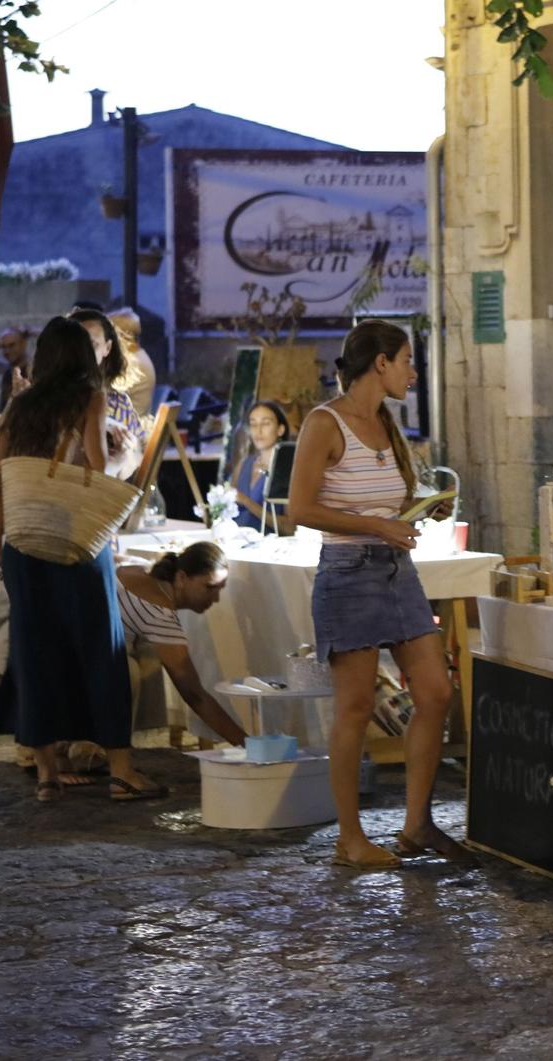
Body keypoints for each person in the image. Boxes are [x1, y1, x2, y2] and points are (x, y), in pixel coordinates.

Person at [286, 319, 462, 870]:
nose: (414, 372)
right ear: (380, 363)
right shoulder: (325, 422)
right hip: (348, 571)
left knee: (435, 692)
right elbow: (300, 509)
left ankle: (415, 825)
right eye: (408, 360)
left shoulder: (388, 424)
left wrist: (423, 507)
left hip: (396, 570)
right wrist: (376, 527)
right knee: (356, 708)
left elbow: (391, 501)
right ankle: (351, 839)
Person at [0, 316, 165, 803]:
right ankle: (123, 771)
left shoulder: (19, 408)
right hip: (77, 541)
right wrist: (128, 455)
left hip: (22, 545)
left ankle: (46, 773)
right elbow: (97, 469)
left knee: (32, 654)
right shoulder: (91, 399)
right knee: (101, 653)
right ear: (86, 359)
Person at [115, 542, 248, 748]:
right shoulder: (159, 614)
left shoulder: (139, 566)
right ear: (181, 578)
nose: (216, 598)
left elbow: (116, 559)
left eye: (220, 589)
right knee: (129, 668)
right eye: (210, 587)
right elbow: (194, 695)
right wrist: (248, 744)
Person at [70, 308, 145, 481]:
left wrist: (124, 456)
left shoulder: (117, 402)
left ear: (107, 348)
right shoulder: (46, 397)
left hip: (101, 498)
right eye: (76, 345)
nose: (83, 353)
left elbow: (135, 462)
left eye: (92, 345)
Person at [231, 400, 290, 529]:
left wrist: (247, 502)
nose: (258, 430)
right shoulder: (244, 464)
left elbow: (289, 527)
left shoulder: (287, 469)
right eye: (253, 424)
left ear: (280, 429)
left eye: (266, 423)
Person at [107, 307, 156, 418]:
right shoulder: (138, 356)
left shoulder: (130, 363)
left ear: (122, 335)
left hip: (128, 429)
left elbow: (105, 399)